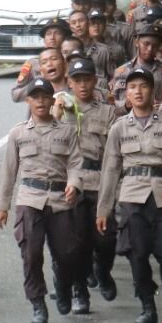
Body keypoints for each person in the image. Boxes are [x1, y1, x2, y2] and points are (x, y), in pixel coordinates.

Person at [96, 68, 162, 323]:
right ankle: (147, 306)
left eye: (143, 86)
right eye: (132, 87)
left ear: (153, 91)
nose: (138, 91)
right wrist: (103, 210)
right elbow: (111, 170)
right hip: (132, 195)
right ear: (127, 94)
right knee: (137, 253)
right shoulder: (119, 128)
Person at [0, 77, 85, 323]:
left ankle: (63, 283)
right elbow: (8, 172)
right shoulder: (18, 133)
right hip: (29, 199)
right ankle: (37, 302)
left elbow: (77, 163)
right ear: (28, 101)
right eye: (35, 97)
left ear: (52, 99)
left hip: (59, 199)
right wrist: (1, 206)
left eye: (45, 96)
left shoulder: (67, 131)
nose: (41, 101)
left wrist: (74, 184)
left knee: (67, 253)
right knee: (31, 253)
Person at [66, 56, 119, 302]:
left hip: (99, 180)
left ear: (95, 81)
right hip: (72, 182)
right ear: (70, 83)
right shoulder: (60, 110)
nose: (83, 85)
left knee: (105, 239)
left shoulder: (108, 113)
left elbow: (115, 151)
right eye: (77, 80)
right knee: (76, 241)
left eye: (87, 79)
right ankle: (80, 291)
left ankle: (103, 271)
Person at [111, 23, 162, 105]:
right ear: (136, 43)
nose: (150, 49)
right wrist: (128, 104)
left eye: (155, 46)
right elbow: (115, 104)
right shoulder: (122, 72)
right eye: (146, 44)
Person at [11, 19, 73, 100]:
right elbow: (15, 94)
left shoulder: (71, 61)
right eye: (48, 34)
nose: (52, 37)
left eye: (57, 33)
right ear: (44, 39)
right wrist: (37, 85)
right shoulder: (32, 63)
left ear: (66, 37)